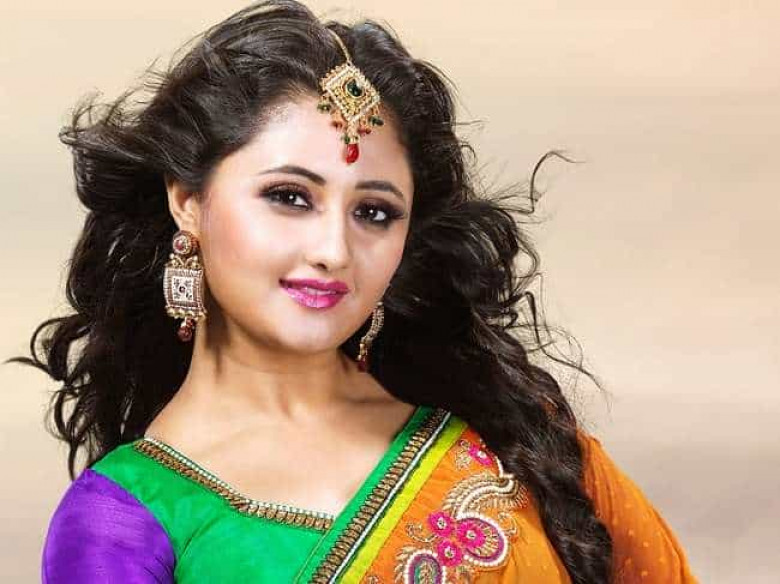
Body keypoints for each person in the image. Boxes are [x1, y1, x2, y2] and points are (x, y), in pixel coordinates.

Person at [14, 1, 697, 582]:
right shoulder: (125, 521)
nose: (334, 251)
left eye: (374, 212)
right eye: (289, 196)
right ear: (188, 201)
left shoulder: (511, 434)